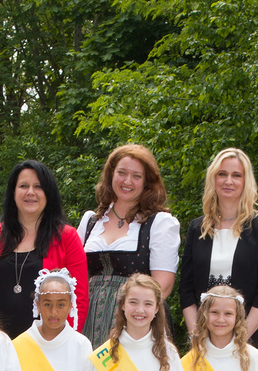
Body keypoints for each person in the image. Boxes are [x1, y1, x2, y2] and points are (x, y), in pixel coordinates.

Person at [178, 147, 258, 371]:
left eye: (236, 175)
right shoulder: (197, 228)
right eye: (222, 174)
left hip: (250, 340)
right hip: (204, 343)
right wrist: (198, 337)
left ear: (246, 181)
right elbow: (186, 289)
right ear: (213, 179)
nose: (228, 181)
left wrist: (239, 338)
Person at [76, 144, 181, 345]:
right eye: (122, 173)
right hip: (88, 322)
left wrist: (133, 320)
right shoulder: (90, 221)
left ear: (147, 182)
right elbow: (76, 278)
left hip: (136, 325)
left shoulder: (159, 223)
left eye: (136, 176)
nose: (127, 181)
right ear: (111, 175)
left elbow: (163, 287)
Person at [0, 160, 89, 338]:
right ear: (13, 192)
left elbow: (79, 299)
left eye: (38, 186)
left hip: (46, 343)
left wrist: (64, 341)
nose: (30, 192)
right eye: (23, 186)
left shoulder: (67, 237)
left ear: (48, 193)